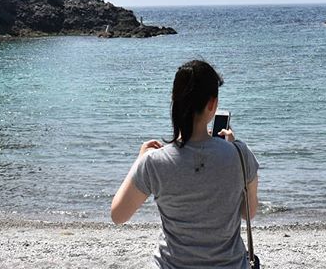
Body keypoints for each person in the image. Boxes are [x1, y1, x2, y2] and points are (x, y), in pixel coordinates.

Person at [111, 59, 259, 269]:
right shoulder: (240, 154)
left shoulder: (154, 162)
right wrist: (232, 147)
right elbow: (248, 213)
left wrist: (139, 160)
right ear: (212, 104)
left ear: (175, 101)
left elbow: (118, 215)